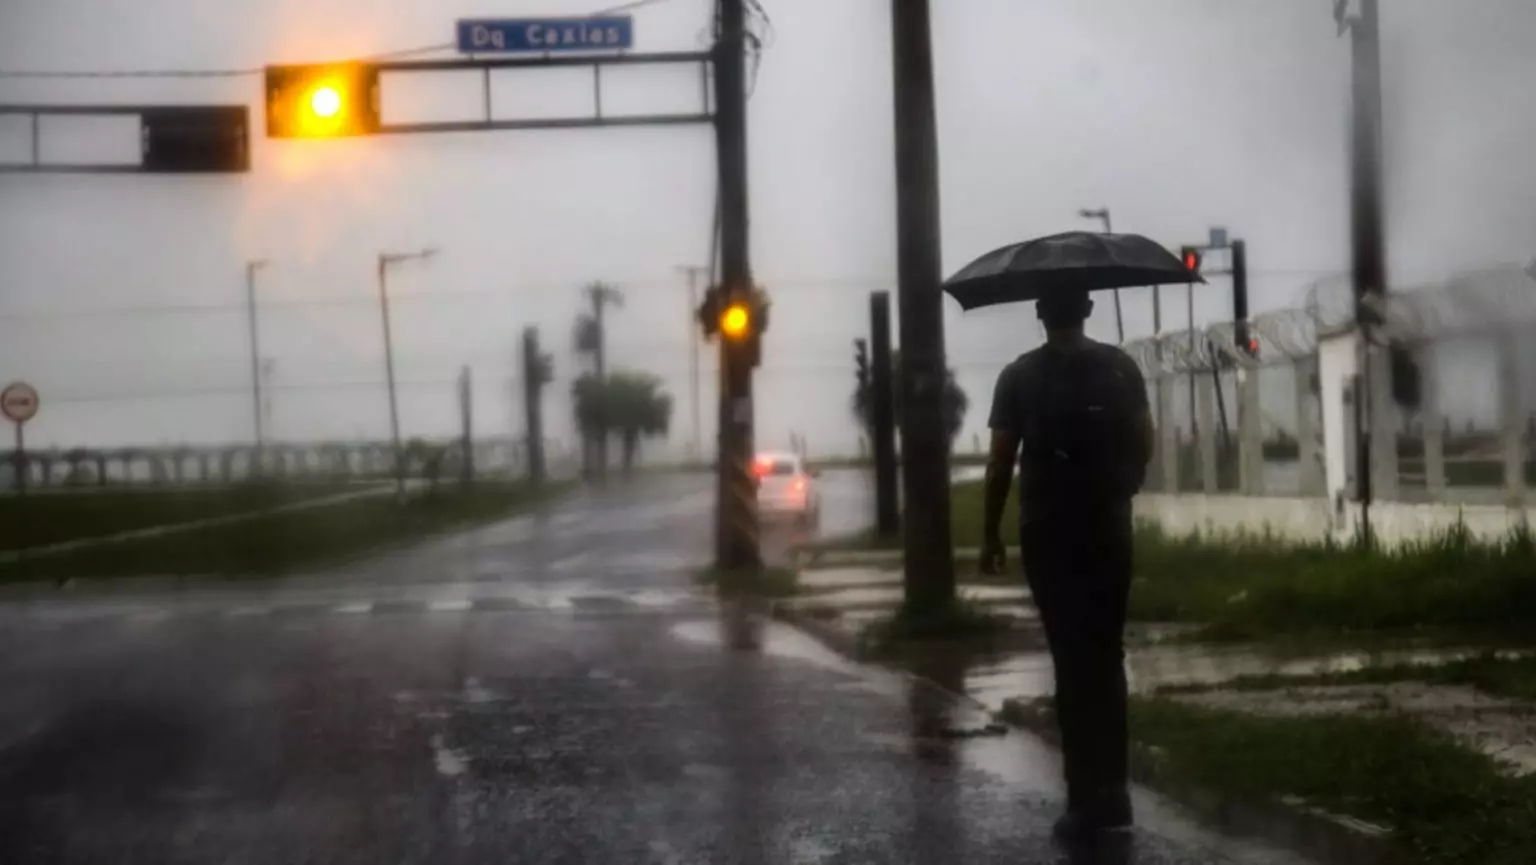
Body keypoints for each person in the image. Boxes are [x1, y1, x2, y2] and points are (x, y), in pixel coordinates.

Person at [979, 286, 1153, 842]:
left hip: (1048, 529)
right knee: (1106, 652)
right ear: (1089, 310)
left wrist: (990, 532)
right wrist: (1121, 490)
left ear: (1039, 313)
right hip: (1109, 526)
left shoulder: (1019, 377)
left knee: (1071, 658)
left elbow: (1001, 460)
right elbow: (1145, 440)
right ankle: (1116, 792)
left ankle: (1083, 798)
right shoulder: (1122, 368)